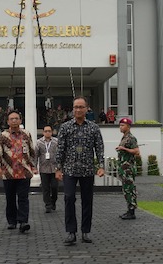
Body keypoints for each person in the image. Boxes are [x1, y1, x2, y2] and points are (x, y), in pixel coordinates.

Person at [55, 96, 105, 245]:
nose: (78, 110)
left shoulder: (93, 127)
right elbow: (60, 149)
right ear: (72, 109)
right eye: (75, 107)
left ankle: (85, 231)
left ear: (87, 108)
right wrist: (58, 168)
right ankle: (71, 232)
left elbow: (99, 148)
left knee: (87, 201)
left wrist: (101, 166)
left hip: (88, 170)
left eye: (81, 107)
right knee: (69, 198)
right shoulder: (65, 127)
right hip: (69, 170)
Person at [0, 110, 37, 233]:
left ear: (20, 120)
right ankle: (12, 221)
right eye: (11, 119)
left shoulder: (26, 134)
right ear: (8, 121)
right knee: (10, 198)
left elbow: (32, 152)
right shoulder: (3, 136)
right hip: (9, 173)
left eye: (16, 118)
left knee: (23, 198)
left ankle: (23, 221)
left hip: (24, 172)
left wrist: (33, 166)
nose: (14, 121)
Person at [115, 117, 140, 220]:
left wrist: (123, 148)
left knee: (130, 189)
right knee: (126, 190)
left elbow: (137, 152)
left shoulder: (131, 138)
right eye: (120, 125)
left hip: (128, 168)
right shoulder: (124, 138)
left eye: (123, 125)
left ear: (128, 126)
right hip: (123, 168)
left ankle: (132, 211)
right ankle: (129, 209)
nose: (120, 127)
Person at [35, 125, 59, 213]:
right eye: (46, 131)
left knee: (54, 187)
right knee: (45, 188)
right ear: (43, 132)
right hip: (43, 169)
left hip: (54, 168)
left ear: (52, 132)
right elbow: (36, 155)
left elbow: (60, 154)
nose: (47, 133)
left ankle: (53, 201)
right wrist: (34, 167)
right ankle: (47, 205)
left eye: (49, 131)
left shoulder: (56, 142)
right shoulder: (39, 142)